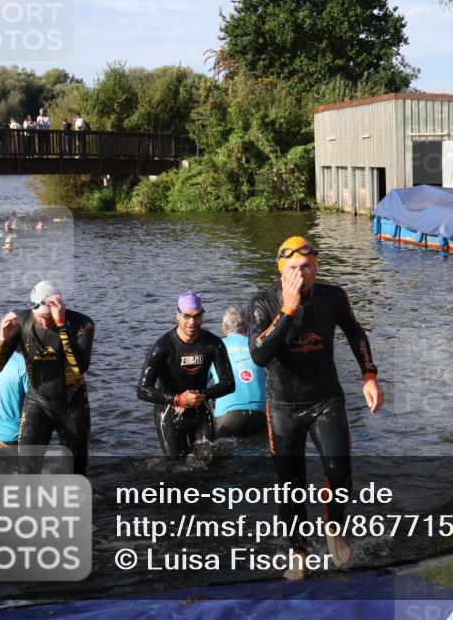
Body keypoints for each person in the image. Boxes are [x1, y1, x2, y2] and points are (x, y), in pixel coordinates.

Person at [249, 236, 384, 580]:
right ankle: (299, 550)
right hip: (282, 407)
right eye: (293, 268)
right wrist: (289, 308)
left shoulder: (332, 296)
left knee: (339, 472)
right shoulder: (263, 304)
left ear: (317, 267)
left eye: (307, 267)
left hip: (326, 399)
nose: (301, 274)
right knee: (290, 484)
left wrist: (369, 376)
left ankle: (333, 530)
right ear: (281, 272)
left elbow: (355, 332)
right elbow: (260, 355)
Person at [0, 280, 95, 475]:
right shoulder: (21, 323)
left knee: (77, 474)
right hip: (38, 403)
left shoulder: (81, 323)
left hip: (73, 404)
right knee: (26, 470)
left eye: (49, 317)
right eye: (40, 317)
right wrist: (3, 339)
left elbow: (79, 367)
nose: (45, 322)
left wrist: (61, 325)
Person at [137, 291, 235, 461]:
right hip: (169, 413)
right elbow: (142, 390)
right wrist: (178, 399)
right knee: (176, 468)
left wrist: (200, 395)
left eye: (197, 316)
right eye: (187, 316)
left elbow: (229, 383)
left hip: (200, 411)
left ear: (203, 316)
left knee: (209, 465)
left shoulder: (213, 343)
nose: (192, 322)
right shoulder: (163, 347)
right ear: (178, 316)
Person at [211, 307, 267, 439]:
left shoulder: (214, 346)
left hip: (228, 417)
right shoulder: (258, 346)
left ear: (224, 328)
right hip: (259, 415)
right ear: (247, 329)